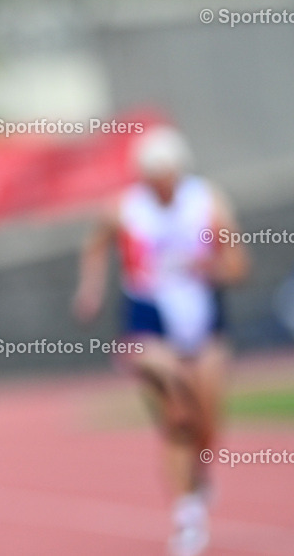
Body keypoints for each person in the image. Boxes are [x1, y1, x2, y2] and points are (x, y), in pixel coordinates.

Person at [73, 126, 249, 556]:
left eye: (165, 173)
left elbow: (238, 263)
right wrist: (91, 287)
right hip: (147, 318)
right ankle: (186, 514)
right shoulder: (124, 207)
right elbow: (94, 245)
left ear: (179, 170)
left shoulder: (207, 201)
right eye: (151, 174)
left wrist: (210, 267)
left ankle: (200, 476)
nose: (159, 183)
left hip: (202, 317)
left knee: (207, 421)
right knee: (175, 414)